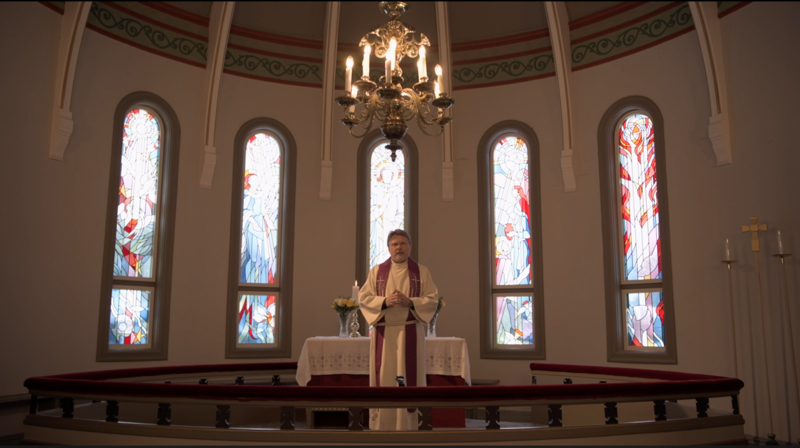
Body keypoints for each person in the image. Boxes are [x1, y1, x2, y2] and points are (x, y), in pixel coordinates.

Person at [359, 229, 439, 431]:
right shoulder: (376, 272)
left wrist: (410, 302)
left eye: (403, 243)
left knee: (404, 378)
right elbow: (364, 298)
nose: (399, 248)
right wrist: (384, 301)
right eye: (394, 244)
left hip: (410, 332)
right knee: (387, 375)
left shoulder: (422, 272)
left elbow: (432, 299)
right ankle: (384, 424)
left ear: (410, 246)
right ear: (389, 248)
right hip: (385, 335)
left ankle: (408, 424)